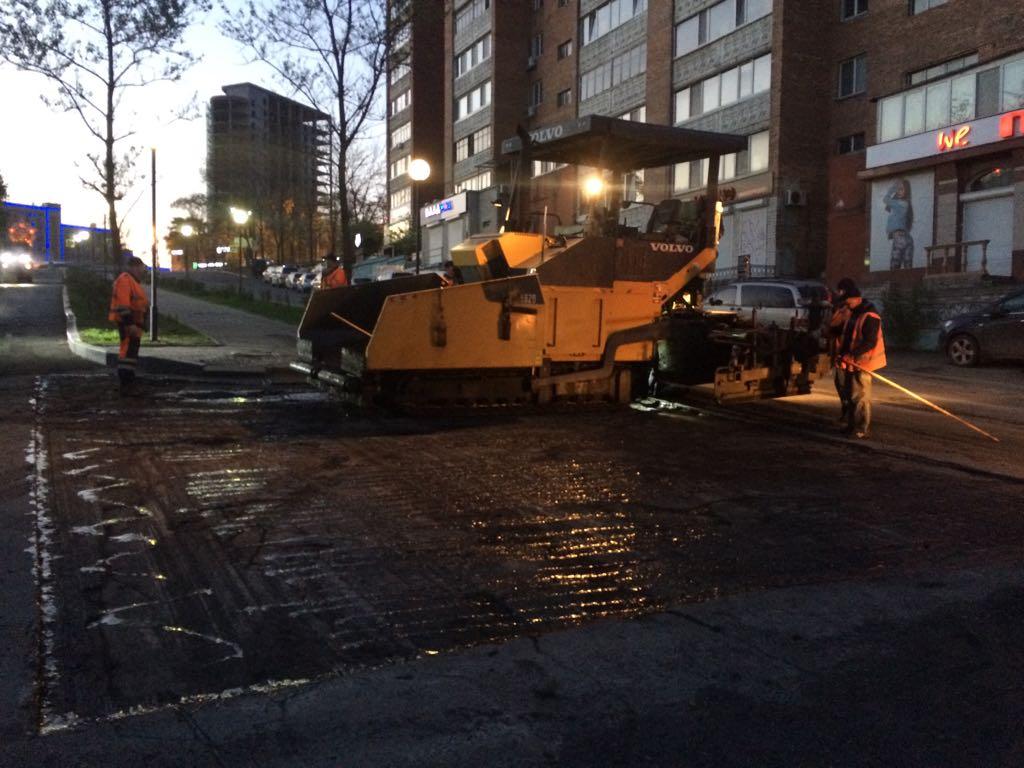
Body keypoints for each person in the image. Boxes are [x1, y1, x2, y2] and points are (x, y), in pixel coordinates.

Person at [835, 279, 887, 439]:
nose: (846, 304)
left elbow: (870, 342)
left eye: (848, 301)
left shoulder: (870, 316)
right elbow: (848, 336)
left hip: (864, 363)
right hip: (851, 362)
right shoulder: (853, 313)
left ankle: (862, 428)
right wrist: (843, 354)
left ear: (856, 298)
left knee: (861, 397)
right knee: (851, 396)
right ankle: (851, 426)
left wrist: (852, 354)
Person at [107, 256, 149, 395]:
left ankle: (129, 382)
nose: (142, 271)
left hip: (134, 324)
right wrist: (130, 324)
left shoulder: (131, 281)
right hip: (129, 324)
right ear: (135, 267)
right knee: (127, 353)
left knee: (131, 353)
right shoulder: (125, 280)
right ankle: (126, 383)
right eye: (141, 268)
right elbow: (123, 305)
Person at [827, 279, 856, 425]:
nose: (838, 293)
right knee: (841, 385)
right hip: (841, 354)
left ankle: (849, 416)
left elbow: (837, 328)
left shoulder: (847, 310)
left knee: (844, 386)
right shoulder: (843, 308)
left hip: (845, 356)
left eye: (840, 291)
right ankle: (847, 413)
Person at [883, 179, 914, 270]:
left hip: (899, 238)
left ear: (906, 191)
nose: (899, 191)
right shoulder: (903, 204)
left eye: (901, 189)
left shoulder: (901, 204)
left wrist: (893, 188)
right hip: (906, 238)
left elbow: (885, 199)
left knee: (894, 266)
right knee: (907, 266)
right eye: (898, 189)